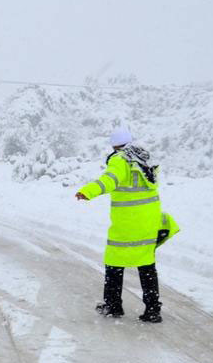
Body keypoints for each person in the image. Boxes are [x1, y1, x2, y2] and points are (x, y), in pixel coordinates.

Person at [75, 126, 180, 323]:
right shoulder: (144, 159)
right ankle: (153, 310)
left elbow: (110, 180)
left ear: (114, 145)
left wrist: (87, 191)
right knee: (146, 265)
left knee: (114, 262)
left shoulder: (119, 160)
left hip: (128, 222)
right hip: (149, 221)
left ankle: (113, 305)